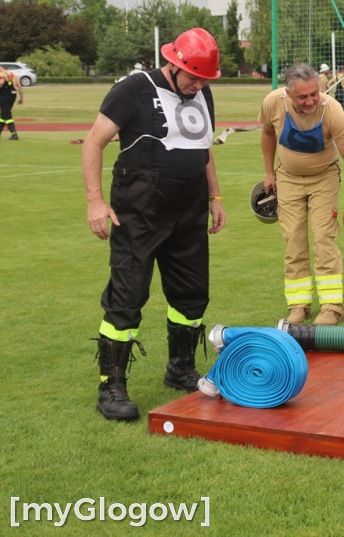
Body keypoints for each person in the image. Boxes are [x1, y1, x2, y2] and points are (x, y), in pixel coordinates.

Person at [81, 27, 226, 421]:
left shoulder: (203, 93)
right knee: (127, 296)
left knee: (192, 296)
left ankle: (180, 368)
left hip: (189, 207)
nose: (198, 85)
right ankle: (111, 386)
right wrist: (95, 202)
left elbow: (205, 148)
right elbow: (94, 141)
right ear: (174, 63)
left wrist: (215, 197)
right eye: (193, 76)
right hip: (139, 208)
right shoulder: (132, 88)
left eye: (205, 79)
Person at [259, 62, 344, 326]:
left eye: (314, 93)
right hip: (287, 178)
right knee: (293, 240)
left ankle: (331, 307)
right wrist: (269, 174)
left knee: (323, 239)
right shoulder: (273, 103)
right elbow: (268, 134)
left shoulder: (331, 111)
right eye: (303, 96)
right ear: (288, 93)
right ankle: (299, 305)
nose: (310, 100)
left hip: (324, 178)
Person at [0, 65, 24, 140]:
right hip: (13, 94)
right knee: (4, 113)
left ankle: (14, 134)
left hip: (4, 95)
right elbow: (19, 86)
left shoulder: (1, 74)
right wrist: (21, 97)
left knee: (6, 114)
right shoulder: (13, 74)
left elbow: (1, 83)